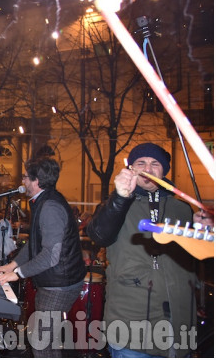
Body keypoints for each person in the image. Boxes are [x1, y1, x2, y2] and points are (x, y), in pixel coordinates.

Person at [86, 142, 214, 357]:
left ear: (164, 171)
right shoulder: (118, 203)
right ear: (131, 169)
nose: (148, 168)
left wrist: (207, 234)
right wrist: (120, 197)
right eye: (141, 163)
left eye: (155, 163)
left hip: (177, 321)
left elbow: (202, 262)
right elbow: (99, 235)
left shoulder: (182, 209)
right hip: (130, 321)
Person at [0, 157, 86, 357]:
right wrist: (12, 265)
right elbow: (36, 244)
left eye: (25, 177)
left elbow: (51, 255)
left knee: (41, 343)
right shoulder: (43, 201)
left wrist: (17, 274)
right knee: (45, 342)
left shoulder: (50, 207)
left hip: (59, 284)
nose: (22, 182)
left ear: (36, 181)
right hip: (55, 280)